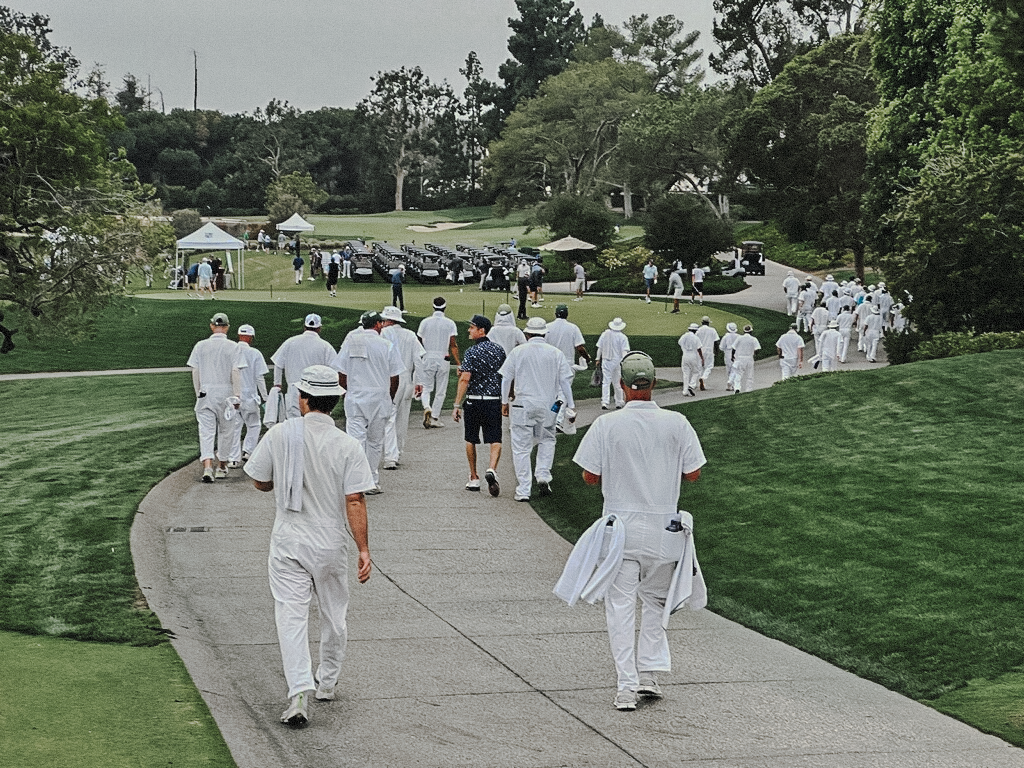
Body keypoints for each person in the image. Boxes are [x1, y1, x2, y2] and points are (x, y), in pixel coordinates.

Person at [563, 350, 707, 711]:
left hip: (622, 528)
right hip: (664, 527)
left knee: (621, 607)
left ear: (622, 386)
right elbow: (694, 473)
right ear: (654, 384)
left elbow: (588, 475)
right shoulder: (677, 422)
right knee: (657, 605)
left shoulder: (606, 425)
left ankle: (627, 685)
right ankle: (648, 675)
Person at [244, 365, 375, 728]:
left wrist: (284, 479)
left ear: (303, 399)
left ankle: (298, 690)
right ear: (334, 402)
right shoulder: (347, 445)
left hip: (289, 538)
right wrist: (363, 549)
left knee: (291, 615)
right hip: (331, 541)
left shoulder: (281, 434)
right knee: (335, 614)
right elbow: (355, 500)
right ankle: (327, 681)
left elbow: (259, 480)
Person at [499, 317, 575, 501]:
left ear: (527, 333)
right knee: (547, 440)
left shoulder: (518, 352)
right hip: (548, 405)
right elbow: (565, 381)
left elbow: (506, 378)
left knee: (521, 447)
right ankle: (542, 474)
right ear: (544, 334)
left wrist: (503, 402)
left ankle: (524, 489)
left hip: (522, 404)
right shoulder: (556, 353)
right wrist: (571, 405)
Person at [331, 311, 404, 492]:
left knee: (356, 440)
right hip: (379, 397)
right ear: (378, 324)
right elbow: (395, 376)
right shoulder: (387, 345)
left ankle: (356, 481)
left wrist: (345, 391)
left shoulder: (351, 342)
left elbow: (341, 371)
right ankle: (371, 479)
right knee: (375, 441)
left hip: (356, 396)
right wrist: (390, 396)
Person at [187, 312, 245, 482]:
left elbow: (195, 371)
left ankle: (207, 467)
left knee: (206, 431)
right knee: (226, 431)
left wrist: (198, 392)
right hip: (226, 392)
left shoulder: (200, 346)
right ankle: (221, 466)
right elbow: (235, 371)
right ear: (227, 327)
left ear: (212, 326)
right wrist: (237, 395)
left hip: (206, 392)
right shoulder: (234, 347)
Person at [452, 314, 506, 496]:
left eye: (472, 327)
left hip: (474, 399)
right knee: (495, 438)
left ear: (481, 330)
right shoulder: (499, 350)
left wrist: (456, 404)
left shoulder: (471, 352)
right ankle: (492, 468)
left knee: (471, 438)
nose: (469, 330)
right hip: (493, 400)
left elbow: (465, 378)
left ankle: (474, 477)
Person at [381, 305, 424, 470]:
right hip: (406, 379)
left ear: (389, 320)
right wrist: (419, 381)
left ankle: (390, 456)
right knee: (402, 418)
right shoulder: (410, 335)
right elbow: (418, 360)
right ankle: (397, 451)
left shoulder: (383, 334)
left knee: (390, 417)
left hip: (390, 378)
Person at [271, 313, 337, 419]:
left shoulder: (290, 342)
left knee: (294, 424)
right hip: (316, 391)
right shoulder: (325, 346)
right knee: (315, 424)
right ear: (319, 328)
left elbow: (278, 363)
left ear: (304, 327)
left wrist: (277, 383)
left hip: (293, 390)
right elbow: (334, 369)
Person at [229, 323, 270, 466]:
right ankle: (248, 450)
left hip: (233, 396)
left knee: (235, 427)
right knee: (254, 425)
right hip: (250, 397)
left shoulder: (230, 350)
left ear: (239, 335)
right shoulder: (255, 353)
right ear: (250, 337)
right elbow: (259, 378)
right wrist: (265, 397)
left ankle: (233, 459)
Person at [417, 296, 460, 427]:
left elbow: (418, 341)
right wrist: (458, 363)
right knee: (441, 390)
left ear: (433, 306)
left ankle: (426, 407)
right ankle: (435, 417)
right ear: (445, 307)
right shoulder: (450, 323)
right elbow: (453, 345)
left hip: (427, 356)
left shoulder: (425, 322)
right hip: (443, 357)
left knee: (426, 387)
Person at [596, 317, 630, 410]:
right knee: (617, 382)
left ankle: (605, 402)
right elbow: (624, 351)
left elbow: (600, 347)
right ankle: (619, 402)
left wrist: (597, 358)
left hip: (607, 360)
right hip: (618, 361)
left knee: (606, 382)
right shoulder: (623, 337)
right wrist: (624, 361)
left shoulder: (605, 334)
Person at [729, 324, 761, 394]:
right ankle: (748, 389)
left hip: (740, 358)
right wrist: (754, 354)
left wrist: (732, 356)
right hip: (749, 358)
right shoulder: (753, 339)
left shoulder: (739, 338)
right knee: (750, 374)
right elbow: (757, 349)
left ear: (744, 331)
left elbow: (733, 348)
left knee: (738, 374)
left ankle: (737, 387)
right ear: (751, 331)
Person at [678, 323, 704, 397]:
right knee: (696, 372)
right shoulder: (696, 338)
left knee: (686, 374)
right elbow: (699, 348)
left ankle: (685, 391)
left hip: (685, 355)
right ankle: (691, 385)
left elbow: (680, 342)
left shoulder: (684, 336)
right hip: (693, 355)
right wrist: (702, 358)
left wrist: (684, 348)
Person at [695, 316, 720, 391]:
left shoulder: (698, 330)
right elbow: (716, 341)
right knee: (709, 366)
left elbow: (695, 340)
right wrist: (717, 350)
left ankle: (701, 380)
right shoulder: (712, 330)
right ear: (708, 323)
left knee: (700, 366)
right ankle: (703, 378)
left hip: (700, 350)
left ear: (702, 322)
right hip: (709, 350)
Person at [720, 322, 739, 391]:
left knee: (729, 369)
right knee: (735, 369)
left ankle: (730, 383)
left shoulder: (725, 337)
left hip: (728, 352)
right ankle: (732, 383)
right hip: (736, 353)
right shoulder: (738, 336)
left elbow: (721, 347)